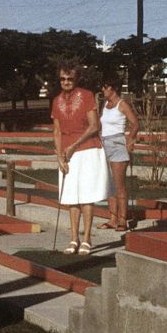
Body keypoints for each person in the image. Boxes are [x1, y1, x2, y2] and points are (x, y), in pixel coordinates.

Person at [52, 61, 110, 255]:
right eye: (62, 79)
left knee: (86, 196)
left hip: (87, 150)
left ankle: (86, 239)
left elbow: (95, 126)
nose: (66, 82)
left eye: (70, 78)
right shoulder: (56, 101)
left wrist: (74, 146)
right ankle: (74, 238)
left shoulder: (86, 95)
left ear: (76, 79)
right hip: (67, 153)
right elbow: (57, 131)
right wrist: (59, 156)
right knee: (71, 197)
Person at [99, 76, 139, 231]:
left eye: (105, 87)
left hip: (117, 145)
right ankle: (113, 219)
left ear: (113, 88)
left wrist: (130, 139)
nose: (103, 90)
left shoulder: (122, 104)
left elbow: (135, 123)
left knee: (119, 185)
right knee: (109, 184)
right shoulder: (105, 105)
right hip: (105, 144)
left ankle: (123, 220)